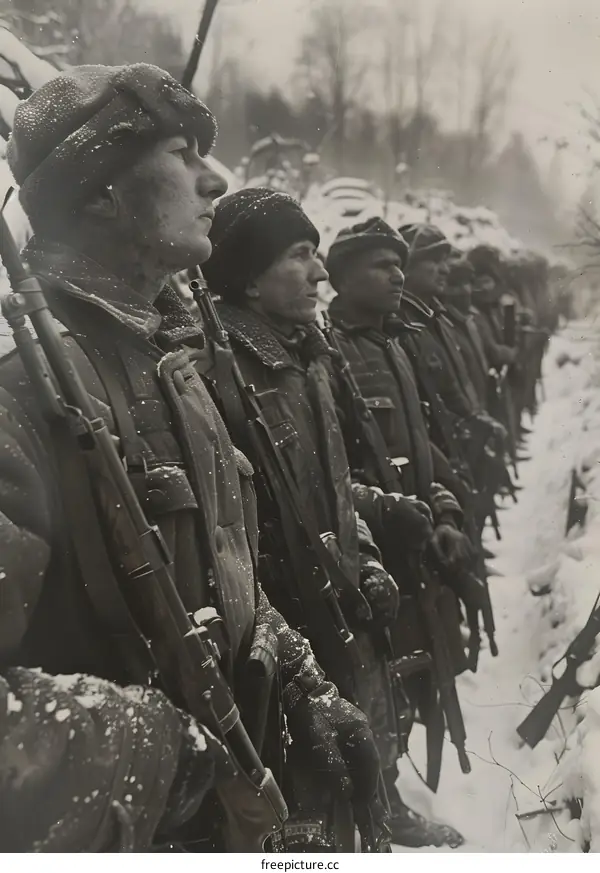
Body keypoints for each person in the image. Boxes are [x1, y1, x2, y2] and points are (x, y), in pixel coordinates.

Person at [0, 64, 378, 852]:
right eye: (183, 153)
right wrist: (163, 750)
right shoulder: (19, 388)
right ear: (101, 193)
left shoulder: (166, 359)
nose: (215, 179)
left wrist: (304, 683)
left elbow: (227, 571)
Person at [201, 188, 399, 843]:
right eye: (299, 255)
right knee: (303, 809)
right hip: (279, 634)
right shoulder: (217, 369)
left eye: (318, 254)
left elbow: (336, 490)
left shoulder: (306, 355)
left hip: (333, 607)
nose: (320, 273)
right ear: (248, 277)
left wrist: (364, 556)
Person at [325, 217, 477, 848]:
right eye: (380, 266)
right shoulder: (330, 348)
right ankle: (378, 806)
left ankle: (391, 791)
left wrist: (442, 508)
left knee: (414, 678)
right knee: (375, 689)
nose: (397, 275)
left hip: (416, 545)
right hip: (368, 555)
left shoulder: (393, 343)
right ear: (341, 278)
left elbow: (420, 445)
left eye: (399, 263)